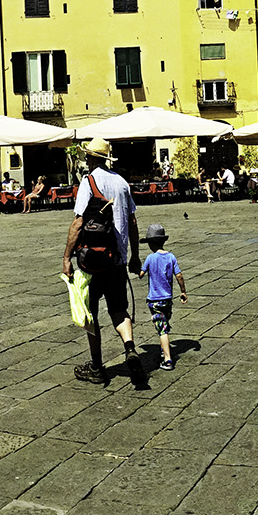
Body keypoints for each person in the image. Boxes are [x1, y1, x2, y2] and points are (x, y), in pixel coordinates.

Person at [62, 138, 142, 384]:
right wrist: (135, 256)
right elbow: (133, 223)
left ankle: (96, 366)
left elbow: (78, 222)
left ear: (91, 158)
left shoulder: (89, 182)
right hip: (116, 260)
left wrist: (66, 257)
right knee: (119, 309)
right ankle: (129, 348)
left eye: (87, 156)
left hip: (91, 262)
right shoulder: (121, 182)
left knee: (90, 314)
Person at [141, 224, 184, 370]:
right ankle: (163, 348)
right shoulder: (171, 256)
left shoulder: (150, 258)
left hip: (154, 300)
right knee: (165, 324)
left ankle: (167, 359)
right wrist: (183, 291)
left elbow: (141, 274)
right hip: (167, 299)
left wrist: (135, 269)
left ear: (150, 243)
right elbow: (179, 275)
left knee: (162, 330)